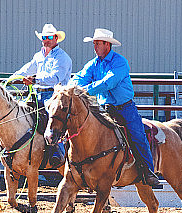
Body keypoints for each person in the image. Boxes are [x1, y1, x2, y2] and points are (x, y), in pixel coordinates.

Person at [72, 28, 161, 188]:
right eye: (94, 43)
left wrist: (84, 90)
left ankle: (148, 171)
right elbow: (81, 76)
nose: (95, 47)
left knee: (137, 136)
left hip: (124, 108)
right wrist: (71, 87)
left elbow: (109, 82)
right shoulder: (94, 64)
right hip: (103, 108)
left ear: (107, 44)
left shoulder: (119, 62)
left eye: (98, 43)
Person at [12, 23, 72, 167]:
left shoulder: (62, 58)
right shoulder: (38, 56)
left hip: (55, 96)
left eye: (50, 37)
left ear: (56, 38)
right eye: (44, 37)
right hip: (37, 94)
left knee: (53, 120)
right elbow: (28, 68)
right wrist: (12, 78)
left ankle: (58, 151)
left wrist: (34, 80)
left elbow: (56, 77)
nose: (47, 40)